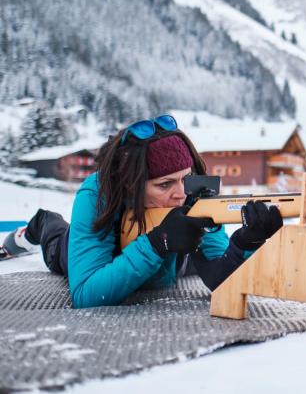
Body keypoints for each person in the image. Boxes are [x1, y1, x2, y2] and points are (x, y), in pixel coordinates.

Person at [0, 114, 283, 308]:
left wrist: (247, 243)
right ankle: (32, 229)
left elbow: (222, 276)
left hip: (173, 263)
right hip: (87, 251)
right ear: (132, 185)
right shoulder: (97, 195)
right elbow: (86, 294)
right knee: (55, 234)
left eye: (186, 177)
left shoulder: (192, 192)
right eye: (164, 184)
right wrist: (158, 243)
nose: (181, 193)